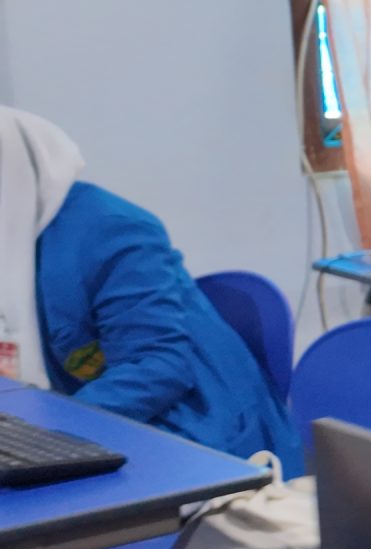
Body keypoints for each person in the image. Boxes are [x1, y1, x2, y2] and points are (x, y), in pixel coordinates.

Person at [0, 107, 295, 468]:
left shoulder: (111, 230)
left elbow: (156, 366)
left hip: (190, 429)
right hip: (81, 417)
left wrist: (42, 430)